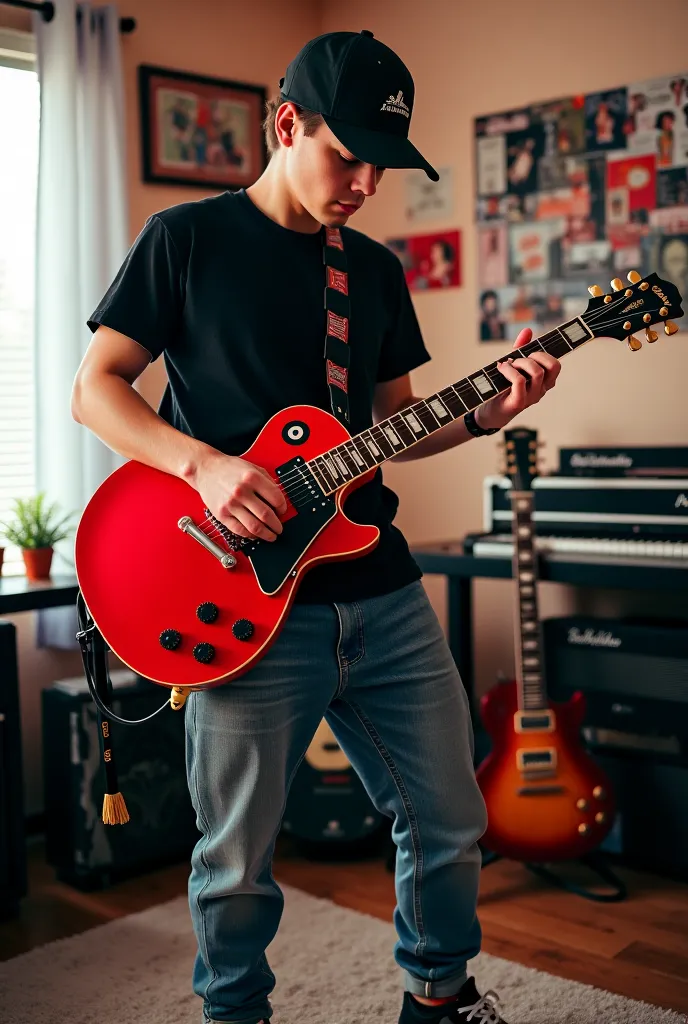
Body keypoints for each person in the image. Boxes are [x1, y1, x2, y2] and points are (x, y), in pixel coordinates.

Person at [71, 29, 560, 1024]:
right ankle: (234, 1012)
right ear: (286, 123)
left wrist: (484, 415)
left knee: (449, 816)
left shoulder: (373, 271)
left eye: (382, 163)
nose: (366, 182)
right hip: (244, 598)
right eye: (348, 155)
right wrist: (202, 466)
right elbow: (96, 389)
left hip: (377, 587)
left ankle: (437, 996)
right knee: (237, 855)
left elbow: (386, 432)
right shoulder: (188, 239)